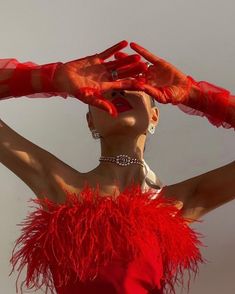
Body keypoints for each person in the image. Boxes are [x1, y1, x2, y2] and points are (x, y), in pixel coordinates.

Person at [1, 40, 234, 294]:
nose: (118, 91)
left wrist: (195, 95)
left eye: (134, 84)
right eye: (109, 85)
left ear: (154, 117)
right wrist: (52, 78)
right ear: (90, 122)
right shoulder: (60, 187)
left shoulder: (175, 205)